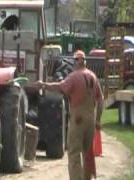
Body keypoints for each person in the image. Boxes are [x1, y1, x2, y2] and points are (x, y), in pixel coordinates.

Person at [34, 50, 103, 180]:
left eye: (74, 60)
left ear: (76, 61)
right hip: (91, 119)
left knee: (74, 153)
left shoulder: (74, 77)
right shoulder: (93, 76)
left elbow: (59, 87)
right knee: (88, 153)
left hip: (78, 119)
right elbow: (100, 99)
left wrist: (43, 85)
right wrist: (98, 119)